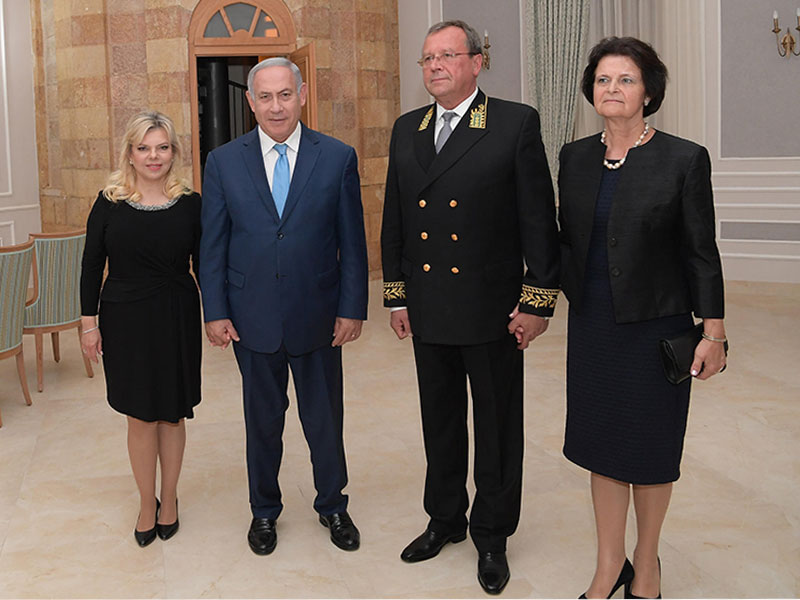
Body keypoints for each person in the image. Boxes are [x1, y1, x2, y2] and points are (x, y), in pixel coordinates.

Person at [381, 20, 560, 595]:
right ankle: (444, 518)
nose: (434, 66)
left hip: (492, 308)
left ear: (477, 63)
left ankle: (491, 534)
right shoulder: (408, 128)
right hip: (430, 305)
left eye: (447, 56)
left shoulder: (512, 123)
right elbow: (396, 220)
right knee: (440, 421)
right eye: (427, 58)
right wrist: (397, 293)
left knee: (498, 425)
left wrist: (536, 301)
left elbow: (539, 220)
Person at [558, 37, 728, 599]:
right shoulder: (574, 157)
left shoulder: (683, 158)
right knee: (601, 447)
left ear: (648, 92)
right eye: (604, 79)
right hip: (594, 328)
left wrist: (714, 331)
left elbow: (701, 251)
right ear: (591, 90)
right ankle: (610, 565)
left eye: (625, 80)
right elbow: (563, 242)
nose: (612, 89)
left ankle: (646, 562)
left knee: (651, 450)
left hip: (657, 328)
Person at [199, 57, 368, 556]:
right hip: (250, 318)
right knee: (262, 421)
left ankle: (333, 505)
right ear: (250, 101)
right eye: (265, 97)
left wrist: (352, 306)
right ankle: (264, 512)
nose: (276, 106)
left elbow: (351, 242)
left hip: (317, 313)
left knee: (324, 420)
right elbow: (213, 244)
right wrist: (215, 310)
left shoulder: (336, 157)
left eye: (285, 94)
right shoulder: (224, 161)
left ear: (302, 93)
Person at [80, 111, 201, 547]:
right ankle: (145, 502)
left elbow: (204, 262)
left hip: (176, 314)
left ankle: (169, 499)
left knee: (172, 413)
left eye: (163, 147)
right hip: (125, 317)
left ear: (174, 152)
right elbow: (92, 263)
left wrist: (217, 316)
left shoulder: (190, 202)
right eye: (144, 147)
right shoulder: (108, 201)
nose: (154, 156)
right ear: (129, 152)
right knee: (140, 415)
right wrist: (88, 324)